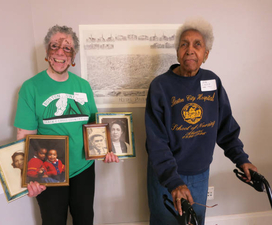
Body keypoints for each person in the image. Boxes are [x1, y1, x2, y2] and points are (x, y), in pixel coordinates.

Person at [145, 17, 258, 225]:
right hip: (166, 176)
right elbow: (156, 141)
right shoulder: (160, 87)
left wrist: (241, 159)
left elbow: (226, 127)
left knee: (196, 222)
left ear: (206, 54)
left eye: (197, 45)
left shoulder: (212, 81)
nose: (190, 49)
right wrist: (173, 181)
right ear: (178, 51)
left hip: (199, 176)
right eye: (184, 44)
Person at [14, 25, 119, 225]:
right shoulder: (30, 88)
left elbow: (95, 127)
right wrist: (29, 176)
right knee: (53, 221)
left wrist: (106, 150)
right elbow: (24, 136)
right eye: (55, 46)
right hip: (49, 170)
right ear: (47, 52)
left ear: (73, 56)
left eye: (67, 48)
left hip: (83, 168)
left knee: (85, 219)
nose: (60, 52)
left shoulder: (83, 86)